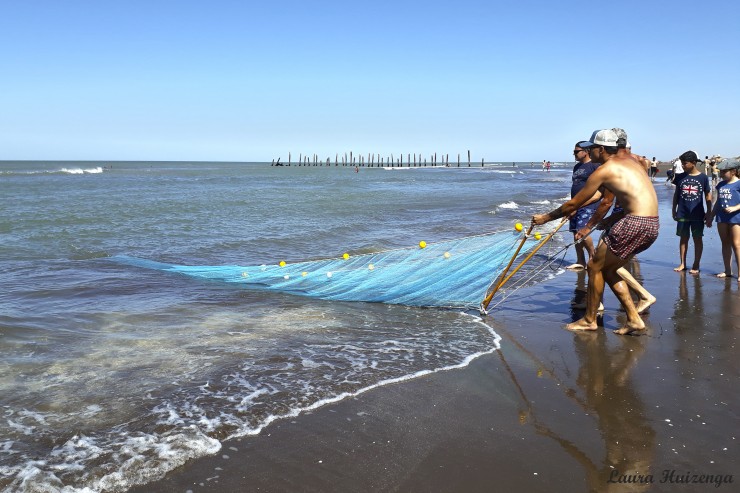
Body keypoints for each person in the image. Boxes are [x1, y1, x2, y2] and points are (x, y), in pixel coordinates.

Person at [533, 129, 659, 335]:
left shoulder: (605, 170)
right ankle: (634, 319)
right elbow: (633, 199)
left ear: (601, 149)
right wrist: (611, 218)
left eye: (592, 148)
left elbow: (574, 202)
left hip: (634, 223)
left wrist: (545, 218)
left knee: (594, 267)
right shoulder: (632, 163)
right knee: (607, 269)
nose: (590, 152)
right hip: (651, 224)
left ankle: (590, 319)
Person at [574, 128, 656, 314]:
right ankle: (637, 300)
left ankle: (596, 308)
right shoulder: (634, 161)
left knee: (599, 263)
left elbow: (606, 200)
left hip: (628, 219)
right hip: (629, 216)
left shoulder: (617, 165)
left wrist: (588, 225)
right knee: (608, 264)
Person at [672, 150, 712, 274]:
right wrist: (674, 209)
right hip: (683, 213)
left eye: (685, 163)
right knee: (683, 239)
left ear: (693, 163)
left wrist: (709, 212)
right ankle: (682, 263)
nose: (683, 166)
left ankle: (696, 264)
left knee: (697, 239)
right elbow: (676, 195)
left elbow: (708, 196)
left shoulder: (703, 177)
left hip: (698, 214)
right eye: (682, 163)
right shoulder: (680, 177)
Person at [567, 142, 601, 270]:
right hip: (575, 204)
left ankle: (593, 259)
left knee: (582, 231)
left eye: (576, 151)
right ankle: (580, 261)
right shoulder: (576, 167)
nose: (574, 154)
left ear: (586, 151)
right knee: (575, 232)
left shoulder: (594, 166)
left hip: (589, 204)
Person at [707, 158, 740, 280]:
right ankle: (728, 270)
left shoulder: (738, 183)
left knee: (736, 244)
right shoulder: (720, 184)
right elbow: (717, 202)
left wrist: (735, 208)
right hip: (721, 217)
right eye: (720, 171)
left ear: (733, 171)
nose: (721, 174)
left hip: (736, 218)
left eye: (723, 171)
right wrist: (711, 216)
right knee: (725, 243)